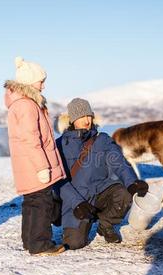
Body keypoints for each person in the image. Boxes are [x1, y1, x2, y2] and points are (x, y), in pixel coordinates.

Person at [55, 98, 149, 248]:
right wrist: (77, 203)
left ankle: (105, 224)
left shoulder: (102, 139)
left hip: (101, 192)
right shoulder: (60, 145)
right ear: (72, 120)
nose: (86, 120)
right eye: (81, 116)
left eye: (89, 116)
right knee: (74, 244)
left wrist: (132, 182)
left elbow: (119, 163)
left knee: (124, 192)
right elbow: (58, 181)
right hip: (77, 201)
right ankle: (81, 221)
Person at [4, 56, 66, 256]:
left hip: (27, 164)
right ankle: (40, 244)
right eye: (41, 81)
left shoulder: (22, 103)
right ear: (30, 82)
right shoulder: (26, 105)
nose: (44, 86)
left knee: (32, 202)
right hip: (35, 165)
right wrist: (42, 168)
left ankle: (29, 241)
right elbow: (32, 139)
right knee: (42, 203)